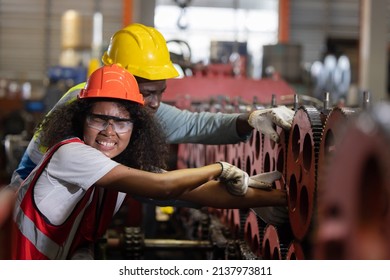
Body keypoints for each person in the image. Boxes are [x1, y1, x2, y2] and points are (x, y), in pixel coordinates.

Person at [1, 23, 293, 229]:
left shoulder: (127, 110)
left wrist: (250, 119)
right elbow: (162, 186)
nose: (154, 103)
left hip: (67, 226)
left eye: (160, 92)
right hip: (30, 222)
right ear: (119, 81)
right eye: (147, 92)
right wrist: (231, 178)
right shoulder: (88, 113)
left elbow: (193, 126)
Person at [12, 64, 286, 260]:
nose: (109, 131)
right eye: (98, 119)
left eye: (121, 121)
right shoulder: (71, 155)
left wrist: (276, 199)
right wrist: (221, 168)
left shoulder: (118, 164)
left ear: (136, 126)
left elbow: (194, 191)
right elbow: (164, 186)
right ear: (79, 119)